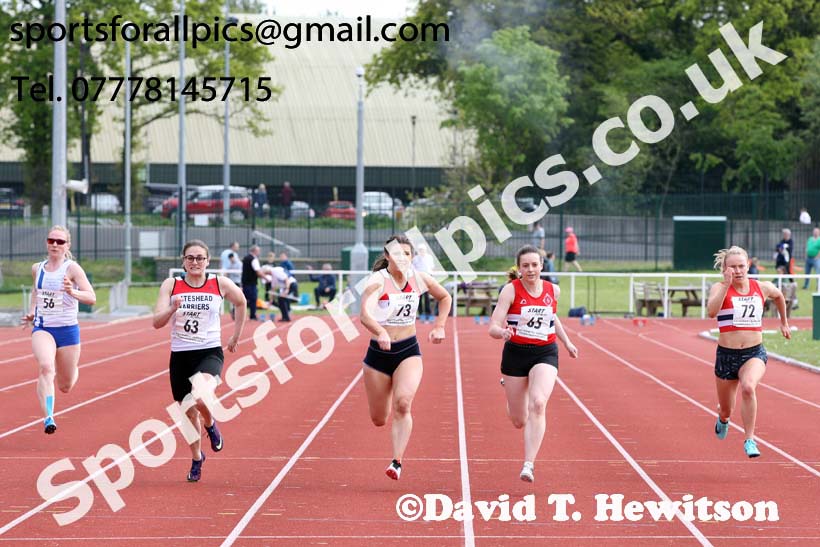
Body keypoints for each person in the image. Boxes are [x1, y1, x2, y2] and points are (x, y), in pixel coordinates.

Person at [359, 235, 452, 480]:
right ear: (388, 257)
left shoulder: (418, 279)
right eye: (397, 254)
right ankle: (386, 395)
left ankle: (397, 461)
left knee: (403, 403)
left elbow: (445, 297)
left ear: (413, 257)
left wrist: (439, 325)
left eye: (407, 254)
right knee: (379, 418)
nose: (402, 259)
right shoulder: (378, 280)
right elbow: (364, 314)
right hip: (378, 354)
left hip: (408, 350)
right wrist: (380, 332)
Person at [153, 239, 247, 481]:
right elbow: (156, 322)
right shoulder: (171, 285)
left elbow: (241, 301)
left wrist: (236, 335)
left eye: (199, 258)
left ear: (207, 261)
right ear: (183, 261)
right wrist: (172, 308)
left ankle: (211, 425)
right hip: (181, 355)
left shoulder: (219, 283)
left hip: (209, 352)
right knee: (187, 414)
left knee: (200, 395)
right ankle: (196, 458)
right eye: (190, 258)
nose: (195, 262)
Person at [488, 245, 578, 482]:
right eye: (525, 266)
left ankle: (528, 464)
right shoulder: (510, 291)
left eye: (535, 265)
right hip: (515, 354)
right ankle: (511, 391)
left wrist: (567, 342)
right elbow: (493, 325)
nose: (531, 270)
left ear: (542, 266)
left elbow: (552, 318)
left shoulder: (553, 290)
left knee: (538, 403)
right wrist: (502, 332)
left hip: (545, 352)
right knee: (519, 420)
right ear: (518, 269)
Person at [706, 246, 790, 459]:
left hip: (754, 353)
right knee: (726, 409)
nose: (738, 270)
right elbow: (711, 312)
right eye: (732, 267)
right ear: (725, 268)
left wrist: (784, 323)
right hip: (726, 356)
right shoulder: (719, 287)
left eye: (741, 266)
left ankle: (750, 439)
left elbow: (779, 296)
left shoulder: (761, 287)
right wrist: (726, 285)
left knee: (748, 388)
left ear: (748, 266)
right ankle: (723, 419)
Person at [22, 226, 96, 434]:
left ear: (67, 246)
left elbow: (91, 297)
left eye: (60, 242)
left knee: (65, 385)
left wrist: (73, 292)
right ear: (47, 243)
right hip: (43, 327)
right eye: (51, 240)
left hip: (68, 330)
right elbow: (36, 293)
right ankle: (48, 418)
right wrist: (31, 312)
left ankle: (73, 371)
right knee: (46, 367)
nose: (55, 244)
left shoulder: (72, 269)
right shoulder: (37, 268)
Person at [241, 245, 267, 320]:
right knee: (253, 299)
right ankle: (253, 315)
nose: (259, 252)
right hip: (251, 283)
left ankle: (235, 312)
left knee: (242, 298)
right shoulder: (254, 259)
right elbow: (258, 272)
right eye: (258, 251)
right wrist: (266, 278)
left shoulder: (245, 258)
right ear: (255, 251)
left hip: (245, 282)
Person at [411, 244, 435, 319]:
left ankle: (428, 313)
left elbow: (431, 268)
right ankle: (421, 313)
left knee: (427, 296)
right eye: (420, 250)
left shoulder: (429, 257)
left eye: (423, 250)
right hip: (418, 279)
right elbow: (413, 268)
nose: (422, 251)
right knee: (419, 296)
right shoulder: (415, 258)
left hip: (427, 278)